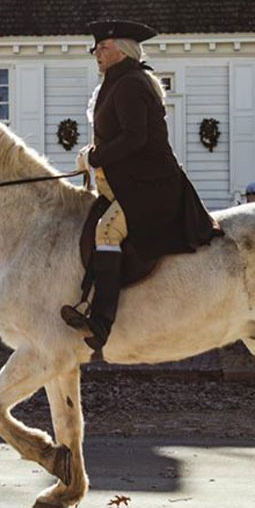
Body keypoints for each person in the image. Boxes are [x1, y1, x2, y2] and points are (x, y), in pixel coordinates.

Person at [60, 19, 222, 353]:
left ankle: (101, 322)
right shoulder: (117, 82)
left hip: (151, 185)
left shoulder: (130, 84)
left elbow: (135, 139)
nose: (96, 53)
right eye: (95, 48)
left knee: (106, 231)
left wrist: (94, 156)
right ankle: (85, 297)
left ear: (122, 50)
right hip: (129, 182)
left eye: (103, 47)